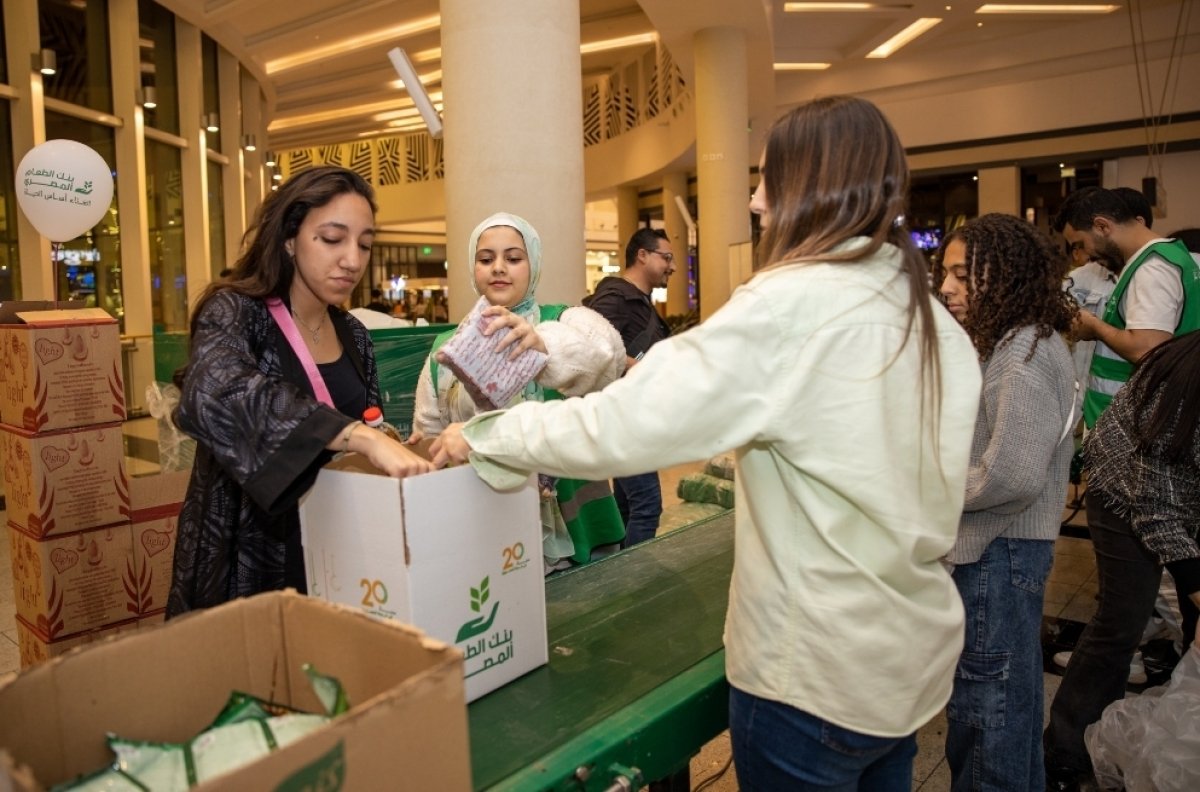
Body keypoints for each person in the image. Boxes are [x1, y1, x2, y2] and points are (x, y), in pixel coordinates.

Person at [431, 96, 982, 790]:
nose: (755, 202)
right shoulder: (929, 318)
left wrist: (488, 434)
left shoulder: (791, 306)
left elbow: (624, 422)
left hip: (810, 677)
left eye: (770, 181)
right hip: (904, 668)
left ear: (814, 189)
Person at [167, 166, 433, 617]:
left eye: (364, 244)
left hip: (337, 545)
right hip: (248, 554)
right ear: (289, 238)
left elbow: (366, 420)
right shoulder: (235, 312)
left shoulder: (354, 334)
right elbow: (214, 392)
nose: (352, 259)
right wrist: (353, 435)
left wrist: (383, 439)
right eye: (332, 239)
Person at [1045, 188, 1200, 788]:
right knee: (1121, 617)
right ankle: (1065, 744)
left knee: (1123, 616)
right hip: (1128, 463)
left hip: (1141, 451)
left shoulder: (1154, 267)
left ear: (1104, 226)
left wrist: (1088, 326)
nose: (1083, 255)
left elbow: (1149, 349)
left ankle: (1074, 737)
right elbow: (1154, 354)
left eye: (1082, 243)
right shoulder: (1166, 264)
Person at [934, 214, 1078, 792]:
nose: (946, 288)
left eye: (962, 275)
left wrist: (928, 493)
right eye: (945, 273)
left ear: (1004, 274)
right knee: (992, 707)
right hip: (996, 547)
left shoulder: (1023, 350)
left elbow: (1012, 475)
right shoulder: (1011, 342)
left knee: (989, 712)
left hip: (999, 550)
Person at [409, 212, 627, 573]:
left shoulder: (565, 320)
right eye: (485, 259)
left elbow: (606, 356)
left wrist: (544, 345)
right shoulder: (447, 348)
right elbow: (431, 432)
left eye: (513, 258)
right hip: (488, 527)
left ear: (534, 264)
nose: (498, 268)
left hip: (575, 531)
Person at [583, 227, 675, 547]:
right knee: (647, 507)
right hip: (624, 419)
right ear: (642, 256)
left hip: (631, 416)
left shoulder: (638, 301)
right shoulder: (616, 295)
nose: (672, 266)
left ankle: (620, 574)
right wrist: (635, 367)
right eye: (666, 257)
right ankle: (634, 582)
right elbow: (590, 339)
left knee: (627, 504)